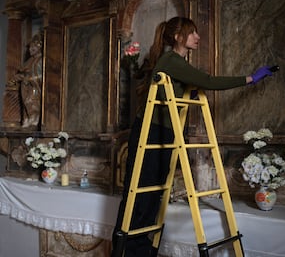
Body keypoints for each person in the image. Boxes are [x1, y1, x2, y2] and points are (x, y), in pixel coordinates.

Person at [112, 17, 274, 257]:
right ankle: (127, 250)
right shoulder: (171, 60)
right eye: (192, 33)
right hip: (149, 130)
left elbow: (198, 84)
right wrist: (249, 79)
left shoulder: (178, 64)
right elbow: (208, 81)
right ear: (178, 37)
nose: (197, 37)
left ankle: (141, 248)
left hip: (165, 132)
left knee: (154, 193)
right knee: (141, 193)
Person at [8, 33, 43, 129]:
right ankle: (27, 120)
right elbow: (23, 72)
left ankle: (34, 121)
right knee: (26, 104)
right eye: (30, 47)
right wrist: (19, 77)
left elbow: (43, 77)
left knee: (32, 103)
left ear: (39, 47)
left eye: (33, 47)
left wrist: (28, 79)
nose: (30, 50)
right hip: (25, 87)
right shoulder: (29, 61)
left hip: (34, 88)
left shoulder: (41, 61)